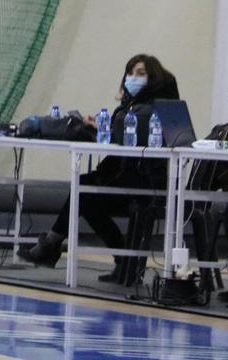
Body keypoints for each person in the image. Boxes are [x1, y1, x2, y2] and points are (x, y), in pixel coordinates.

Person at [18, 54, 179, 284]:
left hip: (146, 183)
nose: (133, 78)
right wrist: (99, 127)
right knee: (84, 193)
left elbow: (126, 138)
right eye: (130, 73)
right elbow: (119, 136)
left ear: (153, 78)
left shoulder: (150, 110)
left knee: (84, 190)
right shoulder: (132, 107)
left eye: (140, 73)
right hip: (128, 178)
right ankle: (120, 258)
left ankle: (53, 244)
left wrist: (105, 128)